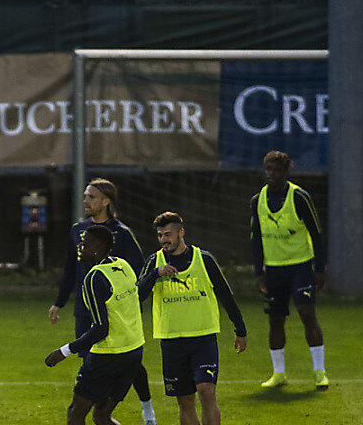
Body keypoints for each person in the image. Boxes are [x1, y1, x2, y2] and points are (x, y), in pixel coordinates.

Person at [49, 178, 157, 424]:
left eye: (91, 197)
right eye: (85, 196)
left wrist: (131, 307)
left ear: (106, 201)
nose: (85, 200)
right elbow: (70, 269)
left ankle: (147, 406)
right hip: (86, 312)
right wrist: (59, 302)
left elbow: (138, 273)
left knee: (121, 362)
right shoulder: (78, 230)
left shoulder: (122, 234)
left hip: (116, 317)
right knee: (98, 399)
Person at [138, 212, 247, 425]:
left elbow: (226, 294)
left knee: (206, 392)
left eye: (168, 234)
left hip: (203, 338)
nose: (163, 240)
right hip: (171, 341)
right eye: (159, 235)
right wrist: (156, 273)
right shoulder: (154, 262)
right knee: (185, 401)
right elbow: (138, 295)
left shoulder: (204, 259)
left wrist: (240, 329)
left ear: (181, 232)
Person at [44, 225, 145, 425]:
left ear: (98, 247)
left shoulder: (94, 278)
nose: (80, 246)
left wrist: (63, 351)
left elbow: (100, 329)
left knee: (75, 413)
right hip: (134, 352)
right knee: (102, 416)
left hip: (107, 357)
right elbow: (139, 295)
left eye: (85, 243)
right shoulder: (123, 265)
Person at [250, 150, 328, 389]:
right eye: (269, 169)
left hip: (300, 267)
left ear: (286, 172)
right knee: (275, 321)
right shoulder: (257, 200)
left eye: (277, 170)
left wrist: (320, 268)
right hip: (274, 270)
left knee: (307, 314)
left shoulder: (299, 197)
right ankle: (279, 374)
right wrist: (258, 272)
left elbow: (316, 233)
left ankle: (319, 371)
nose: (272, 174)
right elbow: (255, 239)